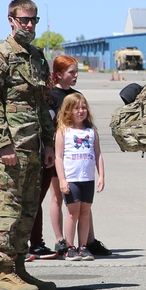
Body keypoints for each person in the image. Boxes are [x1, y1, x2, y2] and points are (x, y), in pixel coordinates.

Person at [0, 0, 56, 290]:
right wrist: (3, 143)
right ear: (10, 20)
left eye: (33, 20)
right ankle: (3, 272)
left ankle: (20, 267)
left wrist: (48, 143)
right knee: (7, 209)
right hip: (10, 149)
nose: (29, 25)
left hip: (34, 147)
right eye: (23, 20)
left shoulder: (36, 56)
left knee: (27, 210)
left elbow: (43, 103)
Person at [27, 55, 112, 260]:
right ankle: (61, 240)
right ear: (58, 74)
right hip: (59, 155)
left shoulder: (76, 96)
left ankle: (88, 241)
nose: (75, 76)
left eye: (76, 72)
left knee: (82, 203)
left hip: (80, 159)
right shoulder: (49, 96)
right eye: (71, 72)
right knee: (58, 198)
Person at [54, 93, 105, 261]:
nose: (81, 111)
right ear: (69, 111)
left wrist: (101, 176)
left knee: (85, 213)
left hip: (87, 179)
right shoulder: (63, 132)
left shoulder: (91, 132)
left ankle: (83, 246)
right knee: (72, 213)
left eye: (83, 108)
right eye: (77, 108)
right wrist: (62, 179)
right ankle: (70, 247)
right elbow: (59, 157)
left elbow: (97, 154)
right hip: (71, 179)